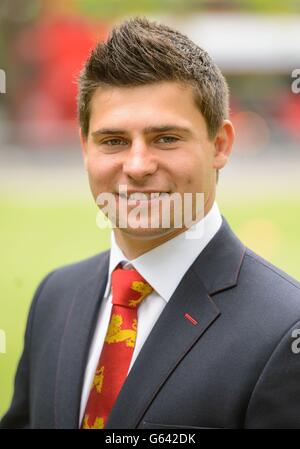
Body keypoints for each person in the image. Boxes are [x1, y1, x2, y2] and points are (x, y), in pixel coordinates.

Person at [1, 17, 300, 430]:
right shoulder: (56, 297)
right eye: (114, 141)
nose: (138, 166)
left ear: (220, 145)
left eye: (166, 138)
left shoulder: (286, 329)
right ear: (84, 148)